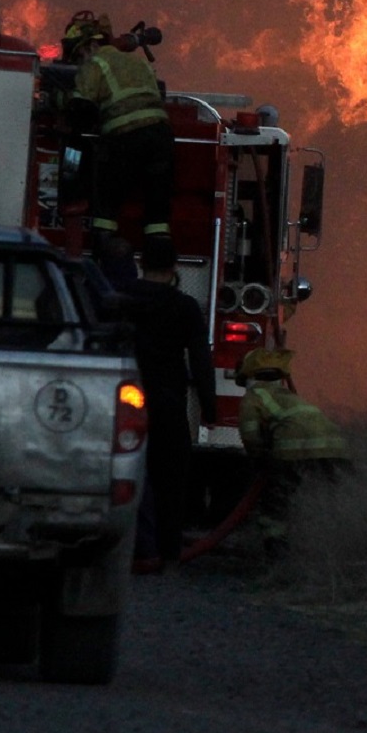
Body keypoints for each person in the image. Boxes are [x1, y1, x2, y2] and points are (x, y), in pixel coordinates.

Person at [124, 238, 217, 572]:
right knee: (172, 479)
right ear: (175, 267)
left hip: (124, 401)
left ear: (141, 263)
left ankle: (130, 548)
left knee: (126, 473)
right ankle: (169, 552)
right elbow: (201, 360)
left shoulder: (123, 300)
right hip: (167, 403)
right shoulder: (185, 307)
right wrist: (209, 407)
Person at [65, 11, 175, 258]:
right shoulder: (139, 62)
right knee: (158, 207)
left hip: (125, 140)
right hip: (161, 138)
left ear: (93, 44)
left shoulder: (95, 64)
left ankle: (104, 254)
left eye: (80, 54)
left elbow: (80, 110)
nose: (81, 60)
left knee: (106, 200)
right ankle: (158, 261)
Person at [236, 347, 349, 560]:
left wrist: (260, 460)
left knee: (275, 507)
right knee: (331, 501)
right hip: (337, 451)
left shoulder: (254, 396)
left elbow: (250, 435)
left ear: (247, 374)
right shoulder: (290, 397)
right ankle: (332, 553)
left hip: (293, 454)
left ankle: (279, 557)